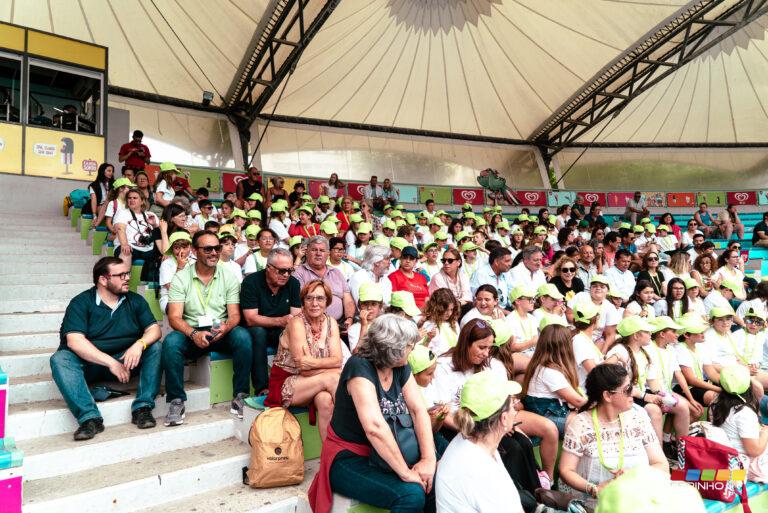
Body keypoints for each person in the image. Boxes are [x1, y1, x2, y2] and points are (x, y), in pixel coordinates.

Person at [308, 314, 436, 513]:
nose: (412, 350)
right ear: (393, 349)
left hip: (385, 451)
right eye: (409, 346)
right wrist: (405, 472)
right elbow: (374, 428)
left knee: (433, 479)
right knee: (411, 494)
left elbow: (418, 410)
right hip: (350, 458)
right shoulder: (359, 367)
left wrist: (428, 459)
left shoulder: (401, 366)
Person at [426, 318, 555, 492]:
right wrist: (479, 429)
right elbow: (444, 412)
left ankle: (538, 492)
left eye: (489, 348)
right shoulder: (444, 367)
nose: (486, 353)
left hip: (489, 421)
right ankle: (521, 496)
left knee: (523, 442)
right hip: (460, 426)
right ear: (466, 343)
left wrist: (503, 423)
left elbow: (500, 399)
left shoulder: (490, 365)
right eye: (481, 347)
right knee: (511, 448)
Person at [50, 257, 162, 440]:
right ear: (103, 279)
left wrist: (139, 344)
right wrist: (111, 363)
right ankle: (90, 418)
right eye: (121, 275)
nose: (127, 278)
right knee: (60, 359)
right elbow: (75, 341)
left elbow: (154, 329)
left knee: (155, 347)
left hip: (127, 362)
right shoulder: (81, 302)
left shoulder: (135, 300)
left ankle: (143, 408)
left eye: (128, 273)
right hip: (90, 365)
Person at [162, 231, 252, 426]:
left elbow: (234, 315)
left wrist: (226, 328)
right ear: (195, 251)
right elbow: (174, 317)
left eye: (217, 248)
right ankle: (176, 401)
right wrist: (193, 333)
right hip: (192, 331)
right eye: (208, 249)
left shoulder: (228, 276)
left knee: (243, 336)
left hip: (220, 330)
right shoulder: (181, 278)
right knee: (171, 342)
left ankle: (241, 396)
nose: (214, 253)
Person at [558, 363, 668, 499]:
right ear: (607, 396)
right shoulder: (581, 424)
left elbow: (662, 465)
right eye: (627, 389)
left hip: (637, 500)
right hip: (595, 503)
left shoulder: (638, 417)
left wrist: (635, 475)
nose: (633, 392)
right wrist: (594, 489)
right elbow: (566, 470)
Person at [435, 370, 524, 513]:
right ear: (504, 418)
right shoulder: (482, 470)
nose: (515, 411)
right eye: (513, 405)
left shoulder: (472, 442)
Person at [266, 280, 342, 440]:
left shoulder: (331, 323)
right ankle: (353, 429)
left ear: (327, 301)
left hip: (316, 382)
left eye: (320, 298)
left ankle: (330, 453)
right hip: (287, 383)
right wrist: (330, 367)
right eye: (309, 298)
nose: (314, 303)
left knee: (325, 400)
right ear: (303, 301)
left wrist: (313, 363)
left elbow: (337, 361)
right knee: (334, 377)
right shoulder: (296, 323)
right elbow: (304, 370)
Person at [521, 324, 587, 436]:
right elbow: (577, 401)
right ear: (563, 346)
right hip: (545, 416)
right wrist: (601, 407)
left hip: (551, 412)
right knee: (586, 422)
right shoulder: (549, 371)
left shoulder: (541, 365)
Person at [710, 365, 768, 482]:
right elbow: (754, 451)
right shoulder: (744, 412)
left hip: (724, 459)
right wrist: (766, 431)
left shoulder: (715, 402)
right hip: (741, 468)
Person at [294, 236, 355, 329]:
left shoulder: (337, 273)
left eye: (322, 250)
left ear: (328, 253)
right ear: (307, 252)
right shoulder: (299, 273)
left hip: (340, 324)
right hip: (310, 325)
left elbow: (348, 300)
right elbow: (299, 303)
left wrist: (349, 319)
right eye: (314, 250)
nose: (318, 254)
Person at [674, 313, 721, 406]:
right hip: (685, 387)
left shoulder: (700, 346)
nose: (703, 334)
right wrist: (719, 389)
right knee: (715, 397)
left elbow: (711, 373)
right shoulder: (679, 349)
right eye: (700, 332)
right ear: (686, 335)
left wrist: (728, 384)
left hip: (700, 383)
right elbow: (691, 380)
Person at [112, 187, 160, 274]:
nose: (131, 200)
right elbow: (120, 228)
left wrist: (154, 225)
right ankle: (123, 278)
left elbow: (159, 234)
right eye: (129, 198)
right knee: (126, 252)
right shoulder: (122, 212)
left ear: (142, 201)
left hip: (148, 248)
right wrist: (124, 244)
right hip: (130, 246)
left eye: (135, 198)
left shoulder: (150, 215)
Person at [566, 275, 619, 352]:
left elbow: (610, 334)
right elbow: (569, 314)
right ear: (590, 289)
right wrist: (584, 326)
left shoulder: (610, 307)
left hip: (595, 340)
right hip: (574, 332)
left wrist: (602, 354)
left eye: (602, 286)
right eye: (595, 286)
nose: (598, 288)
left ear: (608, 291)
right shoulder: (581, 296)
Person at [159, 231, 193, 313]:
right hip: (170, 298)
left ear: (190, 247)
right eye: (177, 248)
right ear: (172, 249)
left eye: (184, 247)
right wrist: (180, 267)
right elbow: (172, 289)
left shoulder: (196, 261)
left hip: (192, 298)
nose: (181, 251)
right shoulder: (166, 264)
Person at [419, 288, 461, 356]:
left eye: (451, 309)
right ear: (437, 308)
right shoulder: (429, 325)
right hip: (437, 361)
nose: (449, 313)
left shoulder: (454, 323)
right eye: (446, 310)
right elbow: (423, 351)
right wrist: (428, 339)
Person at [389, 246, 429, 310]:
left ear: (416, 261)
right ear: (400, 259)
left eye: (411, 258)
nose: (408, 261)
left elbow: (427, 298)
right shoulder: (393, 276)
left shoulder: (421, 277)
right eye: (405, 258)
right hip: (405, 312)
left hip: (424, 312)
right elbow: (393, 300)